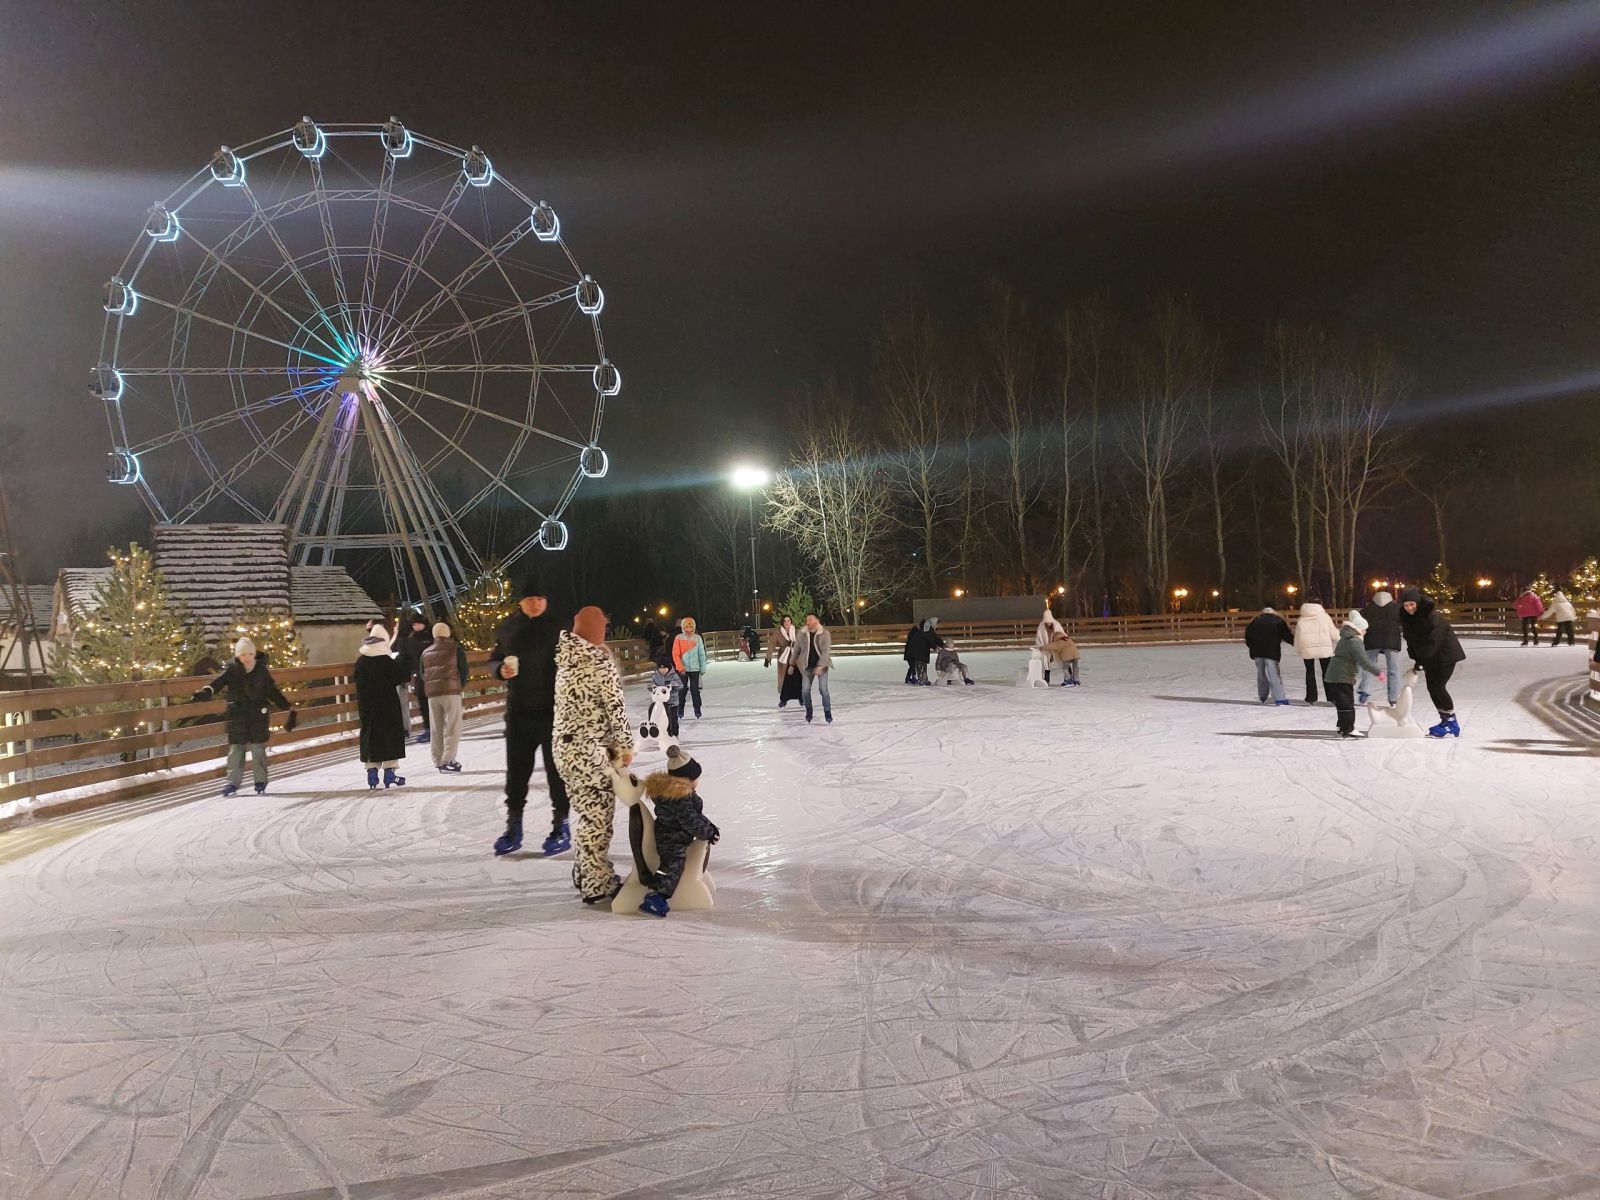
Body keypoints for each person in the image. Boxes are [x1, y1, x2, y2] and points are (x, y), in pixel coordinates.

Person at [552, 605, 635, 904]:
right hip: (589, 751)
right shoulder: (599, 661)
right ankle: (595, 884)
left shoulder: (567, 660)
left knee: (587, 813)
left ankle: (585, 871)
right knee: (597, 818)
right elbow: (616, 707)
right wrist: (625, 746)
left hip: (564, 750)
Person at [489, 573, 571, 857]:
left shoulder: (560, 627)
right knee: (516, 773)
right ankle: (514, 826)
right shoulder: (508, 628)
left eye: (540, 598)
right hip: (519, 713)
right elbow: (494, 658)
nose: (536, 604)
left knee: (556, 772)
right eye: (530, 599)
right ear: (520, 602)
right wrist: (500, 669)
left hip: (553, 713)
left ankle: (561, 825)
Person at [194, 637, 294, 796]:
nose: (246, 658)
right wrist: (207, 691)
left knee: (258, 749)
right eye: (242, 655)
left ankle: (260, 781)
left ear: (254, 654)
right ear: (237, 656)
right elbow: (218, 682)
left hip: (257, 715)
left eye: (249, 654)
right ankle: (232, 783)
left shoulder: (261, 671)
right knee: (236, 750)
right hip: (237, 715)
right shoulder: (232, 670)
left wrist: (286, 705)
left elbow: (272, 691)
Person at [638, 747, 721, 918]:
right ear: (687, 779)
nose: (698, 781)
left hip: (676, 833)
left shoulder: (680, 792)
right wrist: (707, 832)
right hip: (671, 838)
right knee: (673, 864)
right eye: (696, 778)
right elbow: (689, 820)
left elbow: (695, 815)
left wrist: (710, 828)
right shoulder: (679, 797)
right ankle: (656, 897)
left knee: (688, 857)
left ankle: (693, 879)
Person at [1399, 586, 1467, 738]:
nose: (1409, 608)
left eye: (1412, 604)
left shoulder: (1432, 617)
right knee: (1433, 687)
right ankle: (1446, 721)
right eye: (1406, 605)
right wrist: (1416, 658)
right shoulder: (1408, 618)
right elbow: (1411, 640)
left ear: (1417, 603)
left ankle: (1451, 723)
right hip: (1431, 657)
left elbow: (1433, 642)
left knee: (1438, 686)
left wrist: (1421, 661)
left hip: (1445, 655)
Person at [354, 626, 409, 788]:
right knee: (390, 734)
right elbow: (400, 677)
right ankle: (390, 772)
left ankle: (372, 772)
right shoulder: (386, 661)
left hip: (367, 705)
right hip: (387, 704)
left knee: (371, 734)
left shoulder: (361, 661)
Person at [1326, 611, 1386, 738]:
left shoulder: (1346, 637)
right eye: (1364, 629)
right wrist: (1378, 672)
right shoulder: (1354, 641)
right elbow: (1363, 661)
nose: (1365, 632)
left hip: (1337, 674)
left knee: (1343, 702)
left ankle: (1342, 726)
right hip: (1342, 675)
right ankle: (1348, 728)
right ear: (1358, 629)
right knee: (1346, 702)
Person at [420, 621, 468, 773]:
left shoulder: (425, 652)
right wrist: (459, 685)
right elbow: (464, 670)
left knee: (436, 727)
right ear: (448, 633)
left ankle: (437, 759)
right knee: (453, 726)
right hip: (451, 692)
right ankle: (448, 760)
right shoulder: (455, 649)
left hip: (433, 694)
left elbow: (422, 674)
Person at [1358, 590, 1404, 706]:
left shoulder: (1367, 610)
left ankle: (1364, 690)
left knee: (1368, 666)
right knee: (1393, 670)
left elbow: (1359, 624)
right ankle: (1393, 698)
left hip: (1371, 641)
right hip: (1391, 642)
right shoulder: (1398, 609)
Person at [1293, 596, 1339, 704]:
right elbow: (1333, 633)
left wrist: (1298, 649)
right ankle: (1332, 697)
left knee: (1310, 672)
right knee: (1327, 672)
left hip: (1307, 649)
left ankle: (1311, 698)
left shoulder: (1301, 619)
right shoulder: (1325, 617)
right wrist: (1342, 638)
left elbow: (1297, 636)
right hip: (1324, 648)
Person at [1243, 606, 1293, 705]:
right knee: (1274, 674)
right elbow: (1287, 635)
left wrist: (1252, 646)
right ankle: (1279, 698)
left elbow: (1248, 636)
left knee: (1261, 674)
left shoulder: (1254, 621)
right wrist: (1296, 643)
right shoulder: (1278, 621)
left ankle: (1263, 696)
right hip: (1271, 651)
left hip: (1257, 651)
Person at [397, 614, 434, 744]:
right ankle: (428, 729)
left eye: (417, 623)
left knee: (434, 703)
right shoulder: (410, 639)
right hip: (418, 674)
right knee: (423, 702)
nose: (415, 626)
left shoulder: (430, 637)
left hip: (432, 674)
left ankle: (437, 728)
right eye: (413, 624)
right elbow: (406, 657)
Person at [793, 612, 834, 724]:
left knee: (823, 689)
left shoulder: (825, 633)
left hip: (823, 666)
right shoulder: (802, 633)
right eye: (807, 620)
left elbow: (826, 651)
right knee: (805, 690)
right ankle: (809, 709)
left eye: (810, 619)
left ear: (817, 620)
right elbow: (796, 648)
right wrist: (792, 663)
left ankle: (827, 711)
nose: (808, 622)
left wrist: (820, 666)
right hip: (807, 666)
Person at [671, 616, 708, 719]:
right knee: (682, 690)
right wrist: (680, 667)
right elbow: (675, 654)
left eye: (691, 626)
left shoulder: (697, 638)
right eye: (686, 626)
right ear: (683, 627)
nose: (689, 628)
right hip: (682, 669)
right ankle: (680, 709)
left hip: (695, 668)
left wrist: (702, 667)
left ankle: (697, 709)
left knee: (695, 689)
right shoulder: (678, 638)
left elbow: (701, 653)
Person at [765, 615, 804, 708]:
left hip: (796, 659)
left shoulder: (797, 631)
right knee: (785, 680)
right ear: (782, 623)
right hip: (784, 659)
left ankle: (801, 698)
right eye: (785, 621)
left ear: (791, 622)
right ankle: (783, 699)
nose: (787, 623)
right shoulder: (778, 633)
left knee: (798, 678)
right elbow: (771, 644)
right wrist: (768, 657)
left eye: (788, 621)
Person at [646, 657, 683, 738]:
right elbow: (650, 685)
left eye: (664, 668)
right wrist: (652, 686)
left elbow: (681, 686)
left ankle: (674, 735)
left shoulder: (673, 675)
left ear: (668, 668)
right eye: (660, 668)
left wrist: (674, 685)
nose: (662, 670)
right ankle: (663, 734)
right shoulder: (656, 675)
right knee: (662, 719)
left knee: (672, 720)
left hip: (672, 703)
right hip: (660, 703)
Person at [1035, 610, 1076, 685]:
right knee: (1045, 661)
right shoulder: (1041, 627)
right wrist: (1040, 646)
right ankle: (1046, 679)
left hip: (1056, 646)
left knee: (1062, 661)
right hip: (1046, 647)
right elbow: (1039, 637)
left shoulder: (1056, 625)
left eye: (1049, 623)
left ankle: (1069, 677)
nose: (1048, 624)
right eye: (1047, 623)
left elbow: (1062, 636)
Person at [902, 621, 931, 685]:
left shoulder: (913, 635)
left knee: (912, 666)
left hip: (910, 654)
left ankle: (908, 678)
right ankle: (913, 677)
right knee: (912, 666)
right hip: (911, 654)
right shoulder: (915, 635)